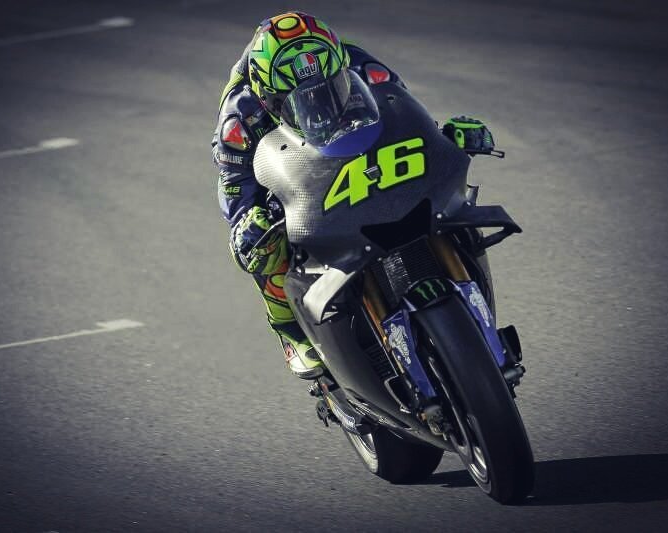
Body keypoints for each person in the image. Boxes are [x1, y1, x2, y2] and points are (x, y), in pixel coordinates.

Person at [212, 11, 495, 379]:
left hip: (361, 152)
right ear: (268, 98)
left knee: (446, 192)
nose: (317, 105)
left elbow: (404, 114)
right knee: (259, 249)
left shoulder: (359, 63)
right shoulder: (239, 120)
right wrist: (248, 224)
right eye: (301, 99)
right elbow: (235, 189)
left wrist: (446, 137)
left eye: (328, 88)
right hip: (296, 175)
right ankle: (291, 333)